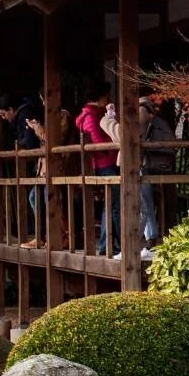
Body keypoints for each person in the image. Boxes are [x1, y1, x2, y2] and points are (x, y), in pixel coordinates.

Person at [74, 85, 119, 257]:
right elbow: (98, 141)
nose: (107, 100)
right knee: (112, 204)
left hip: (104, 163)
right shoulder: (91, 116)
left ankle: (109, 245)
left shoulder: (92, 114)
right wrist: (114, 142)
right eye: (106, 97)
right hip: (104, 163)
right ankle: (107, 245)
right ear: (100, 98)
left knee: (112, 204)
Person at [137, 95, 175, 254]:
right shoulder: (160, 123)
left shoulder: (143, 117)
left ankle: (149, 236)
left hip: (145, 164)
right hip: (156, 164)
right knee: (147, 201)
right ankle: (151, 236)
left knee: (144, 202)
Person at [12, 97, 45, 247]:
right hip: (43, 168)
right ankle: (42, 236)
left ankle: (45, 236)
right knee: (35, 197)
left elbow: (53, 140)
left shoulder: (62, 116)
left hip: (54, 168)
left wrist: (37, 129)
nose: (43, 103)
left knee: (40, 198)